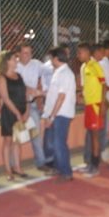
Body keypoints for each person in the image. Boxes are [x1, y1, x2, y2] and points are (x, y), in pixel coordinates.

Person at [0, 50, 30, 181]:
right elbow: (6, 98)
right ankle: (8, 170)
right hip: (10, 113)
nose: (16, 61)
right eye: (14, 59)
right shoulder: (1, 78)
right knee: (8, 141)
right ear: (7, 61)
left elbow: (25, 94)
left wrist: (27, 110)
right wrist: (17, 113)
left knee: (17, 141)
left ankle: (17, 167)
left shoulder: (19, 76)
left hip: (21, 111)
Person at [42, 46, 76, 182]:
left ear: (56, 58)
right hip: (55, 114)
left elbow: (61, 97)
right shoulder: (58, 72)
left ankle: (66, 172)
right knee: (52, 143)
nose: (50, 61)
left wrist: (52, 116)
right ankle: (58, 167)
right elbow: (53, 95)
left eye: (51, 58)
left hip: (61, 114)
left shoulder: (65, 73)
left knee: (59, 143)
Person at [16, 42, 49, 170]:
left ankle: (41, 162)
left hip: (32, 104)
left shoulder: (36, 64)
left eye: (29, 53)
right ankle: (14, 166)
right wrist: (34, 90)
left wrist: (43, 91)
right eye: (24, 53)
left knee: (36, 134)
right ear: (18, 54)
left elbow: (49, 72)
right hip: (17, 105)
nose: (27, 55)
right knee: (16, 137)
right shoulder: (14, 65)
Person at [78, 42, 106, 177]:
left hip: (96, 105)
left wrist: (103, 104)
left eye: (80, 52)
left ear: (88, 52)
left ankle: (95, 166)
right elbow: (85, 87)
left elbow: (104, 85)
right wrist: (81, 96)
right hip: (88, 105)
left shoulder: (96, 66)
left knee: (95, 136)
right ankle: (90, 163)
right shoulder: (84, 67)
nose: (78, 55)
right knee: (90, 134)